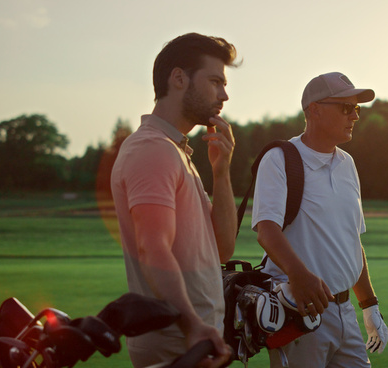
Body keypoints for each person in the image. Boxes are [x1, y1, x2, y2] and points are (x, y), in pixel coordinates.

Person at [110, 32, 239, 368]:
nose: (224, 95)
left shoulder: (177, 153)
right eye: (215, 81)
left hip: (197, 342)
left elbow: (222, 248)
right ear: (179, 78)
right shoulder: (152, 149)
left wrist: (222, 173)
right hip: (177, 345)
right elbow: (152, 248)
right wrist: (193, 324)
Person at [251, 72, 388, 367]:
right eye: (345, 108)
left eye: (357, 109)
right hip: (300, 313)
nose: (354, 116)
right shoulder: (279, 159)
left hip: (345, 312)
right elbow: (266, 230)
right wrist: (299, 275)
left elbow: (352, 242)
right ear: (314, 109)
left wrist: (369, 305)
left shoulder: (347, 164)